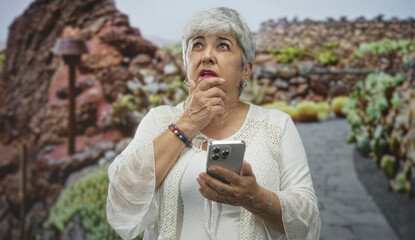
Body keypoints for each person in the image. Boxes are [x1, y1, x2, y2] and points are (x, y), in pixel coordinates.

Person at [107, 7, 320, 240]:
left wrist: (254, 197)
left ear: (245, 70)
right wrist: (188, 122)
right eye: (197, 45)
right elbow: (121, 199)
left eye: (223, 45)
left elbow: (307, 219)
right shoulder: (159, 119)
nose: (207, 55)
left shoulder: (277, 125)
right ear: (186, 62)